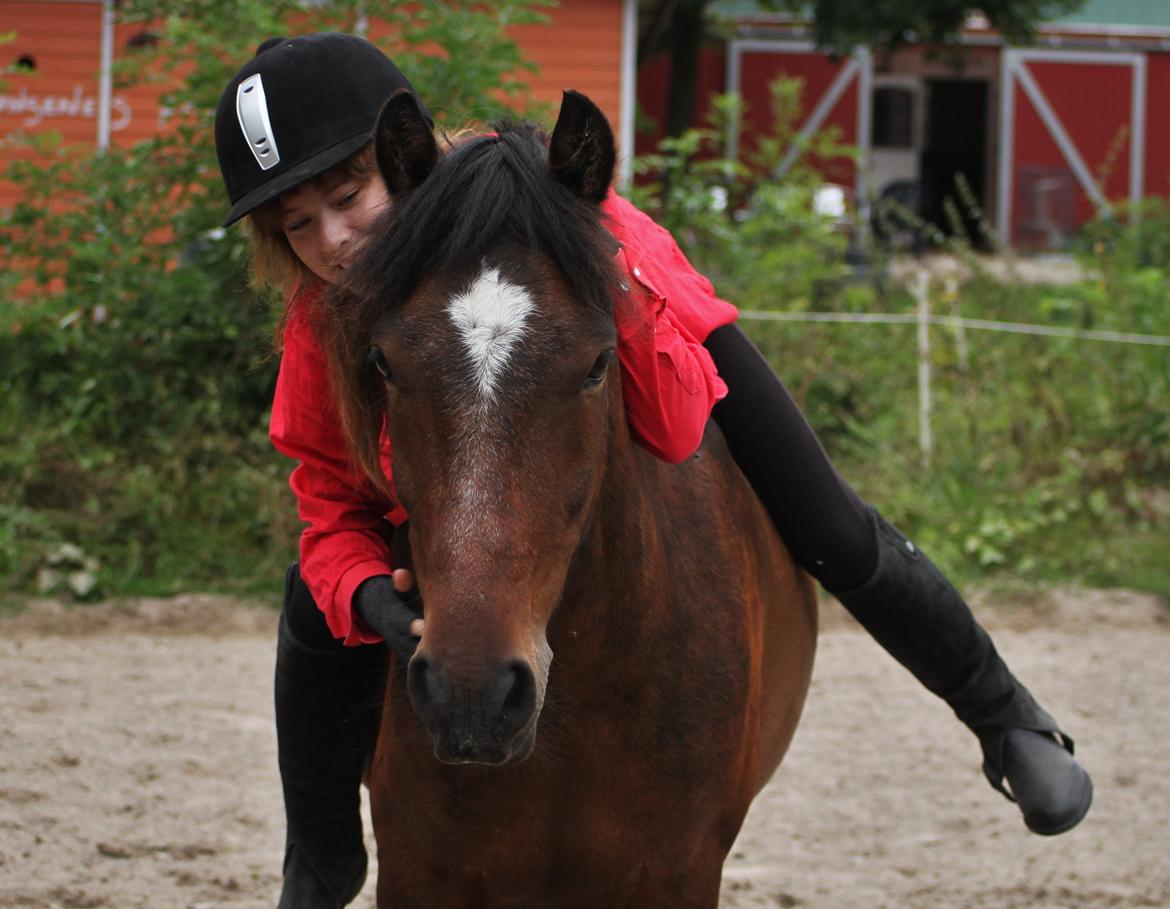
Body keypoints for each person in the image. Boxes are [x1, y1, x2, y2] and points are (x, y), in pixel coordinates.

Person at [214, 32, 1093, 909]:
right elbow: (329, 498)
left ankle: (1006, 717)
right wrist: (369, 593)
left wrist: (602, 290)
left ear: (401, 162)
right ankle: (321, 860)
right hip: (460, 454)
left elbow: (675, 432)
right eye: (297, 223)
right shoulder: (322, 314)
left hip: (641, 326)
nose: (333, 239)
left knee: (822, 516)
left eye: (347, 195)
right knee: (312, 598)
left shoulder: (591, 230)